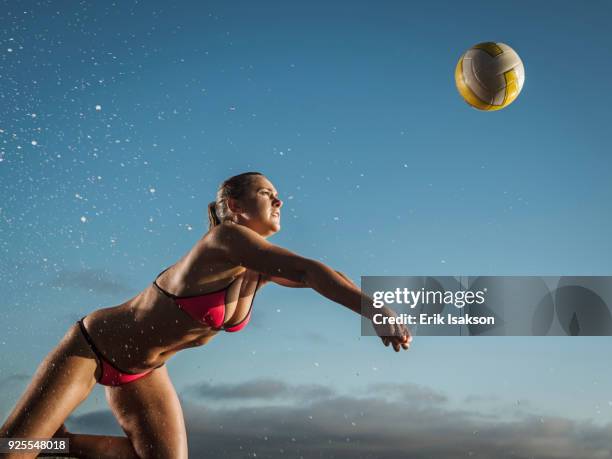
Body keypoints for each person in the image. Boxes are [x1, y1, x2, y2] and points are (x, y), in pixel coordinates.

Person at [1, 172, 411, 459]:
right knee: (11, 449)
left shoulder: (259, 266)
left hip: (144, 372)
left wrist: (369, 303)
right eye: (267, 193)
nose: (280, 200)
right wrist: (375, 311)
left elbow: (321, 274)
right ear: (234, 205)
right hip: (93, 347)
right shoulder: (224, 239)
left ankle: (62, 445)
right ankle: (38, 446)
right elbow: (308, 270)